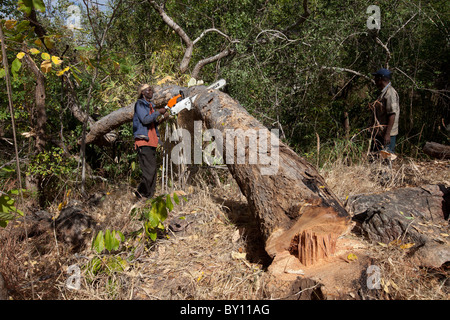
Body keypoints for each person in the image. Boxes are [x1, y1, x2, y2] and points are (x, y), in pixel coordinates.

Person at [133, 84, 169, 199]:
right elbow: (144, 120)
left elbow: (152, 124)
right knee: (149, 171)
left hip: (151, 142)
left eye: (151, 89)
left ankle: (149, 197)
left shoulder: (150, 105)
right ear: (143, 93)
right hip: (143, 142)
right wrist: (158, 112)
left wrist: (162, 119)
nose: (151, 91)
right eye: (148, 90)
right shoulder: (140, 104)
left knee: (152, 171)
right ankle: (140, 195)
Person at [369, 68, 400, 154]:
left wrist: (387, 134)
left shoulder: (390, 94)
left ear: (381, 79)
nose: (374, 81)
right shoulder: (383, 92)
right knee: (374, 158)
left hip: (387, 133)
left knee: (386, 158)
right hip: (380, 132)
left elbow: (392, 115)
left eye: (376, 78)